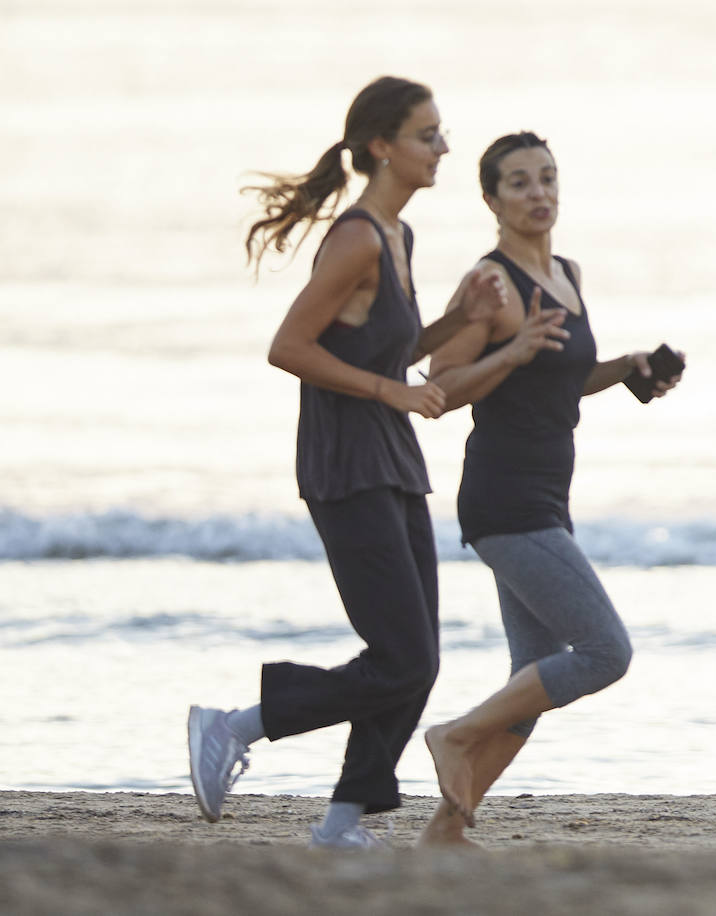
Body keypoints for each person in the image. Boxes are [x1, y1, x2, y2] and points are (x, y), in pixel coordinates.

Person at [186, 76, 506, 848]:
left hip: (389, 458)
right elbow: (288, 348)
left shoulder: (399, 238)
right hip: (345, 462)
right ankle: (237, 725)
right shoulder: (358, 235)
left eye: (440, 133)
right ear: (380, 147)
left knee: (416, 659)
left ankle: (339, 823)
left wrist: (455, 323)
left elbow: (383, 347)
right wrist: (390, 394)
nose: (442, 148)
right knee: (400, 657)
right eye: (427, 135)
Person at [415, 131, 683, 846]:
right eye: (520, 183)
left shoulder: (567, 271)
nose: (538, 193)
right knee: (605, 653)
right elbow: (439, 386)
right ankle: (454, 734)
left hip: (544, 496)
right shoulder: (491, 283)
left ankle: (443, 834)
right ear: (491, 199)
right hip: (504, 498)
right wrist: (512, 348)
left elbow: (560, 379)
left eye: (547, 178)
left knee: (529, 687)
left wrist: (628, 367)